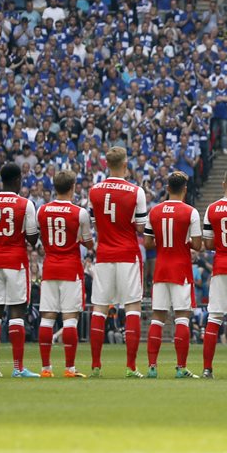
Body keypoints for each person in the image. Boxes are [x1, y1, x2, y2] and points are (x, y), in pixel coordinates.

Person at [88, 147, 149, 377]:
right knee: (132, 307)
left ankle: (96, 365)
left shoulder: (94, 191)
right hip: (127, 254)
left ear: (106, 165)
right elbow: (141, 228)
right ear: (125, 165)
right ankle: (131, 367)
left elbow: (95, 223)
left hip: (104, 254)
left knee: (99, 309)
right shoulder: (136, 191)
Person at [0, 163, 40, 378]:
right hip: (16, 261)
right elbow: (33, 239)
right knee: (17, 311)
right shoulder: (25, 204)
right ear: (18, 180)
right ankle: (17, 368)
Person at [36, 170, 94, 378]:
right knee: (70, 319)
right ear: (72, 188)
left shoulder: (42, 210)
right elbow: (88, 242)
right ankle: (69, 368)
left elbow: (40, 236)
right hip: (70, 268)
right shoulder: (79, 213)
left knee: (47, 318)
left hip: (50, 267)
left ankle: (45, 368)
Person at [147, 171, 204, 378]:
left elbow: (147, 243)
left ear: (167, 188)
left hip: (161, 268)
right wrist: (186, 242)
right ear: (185, 190)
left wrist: (162, 243)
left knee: (157, 318)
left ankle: (152, 367)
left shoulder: (154, 211)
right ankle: (181, 368)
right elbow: (198, 245)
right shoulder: (191, 212)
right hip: (181, 269)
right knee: (182, 318)